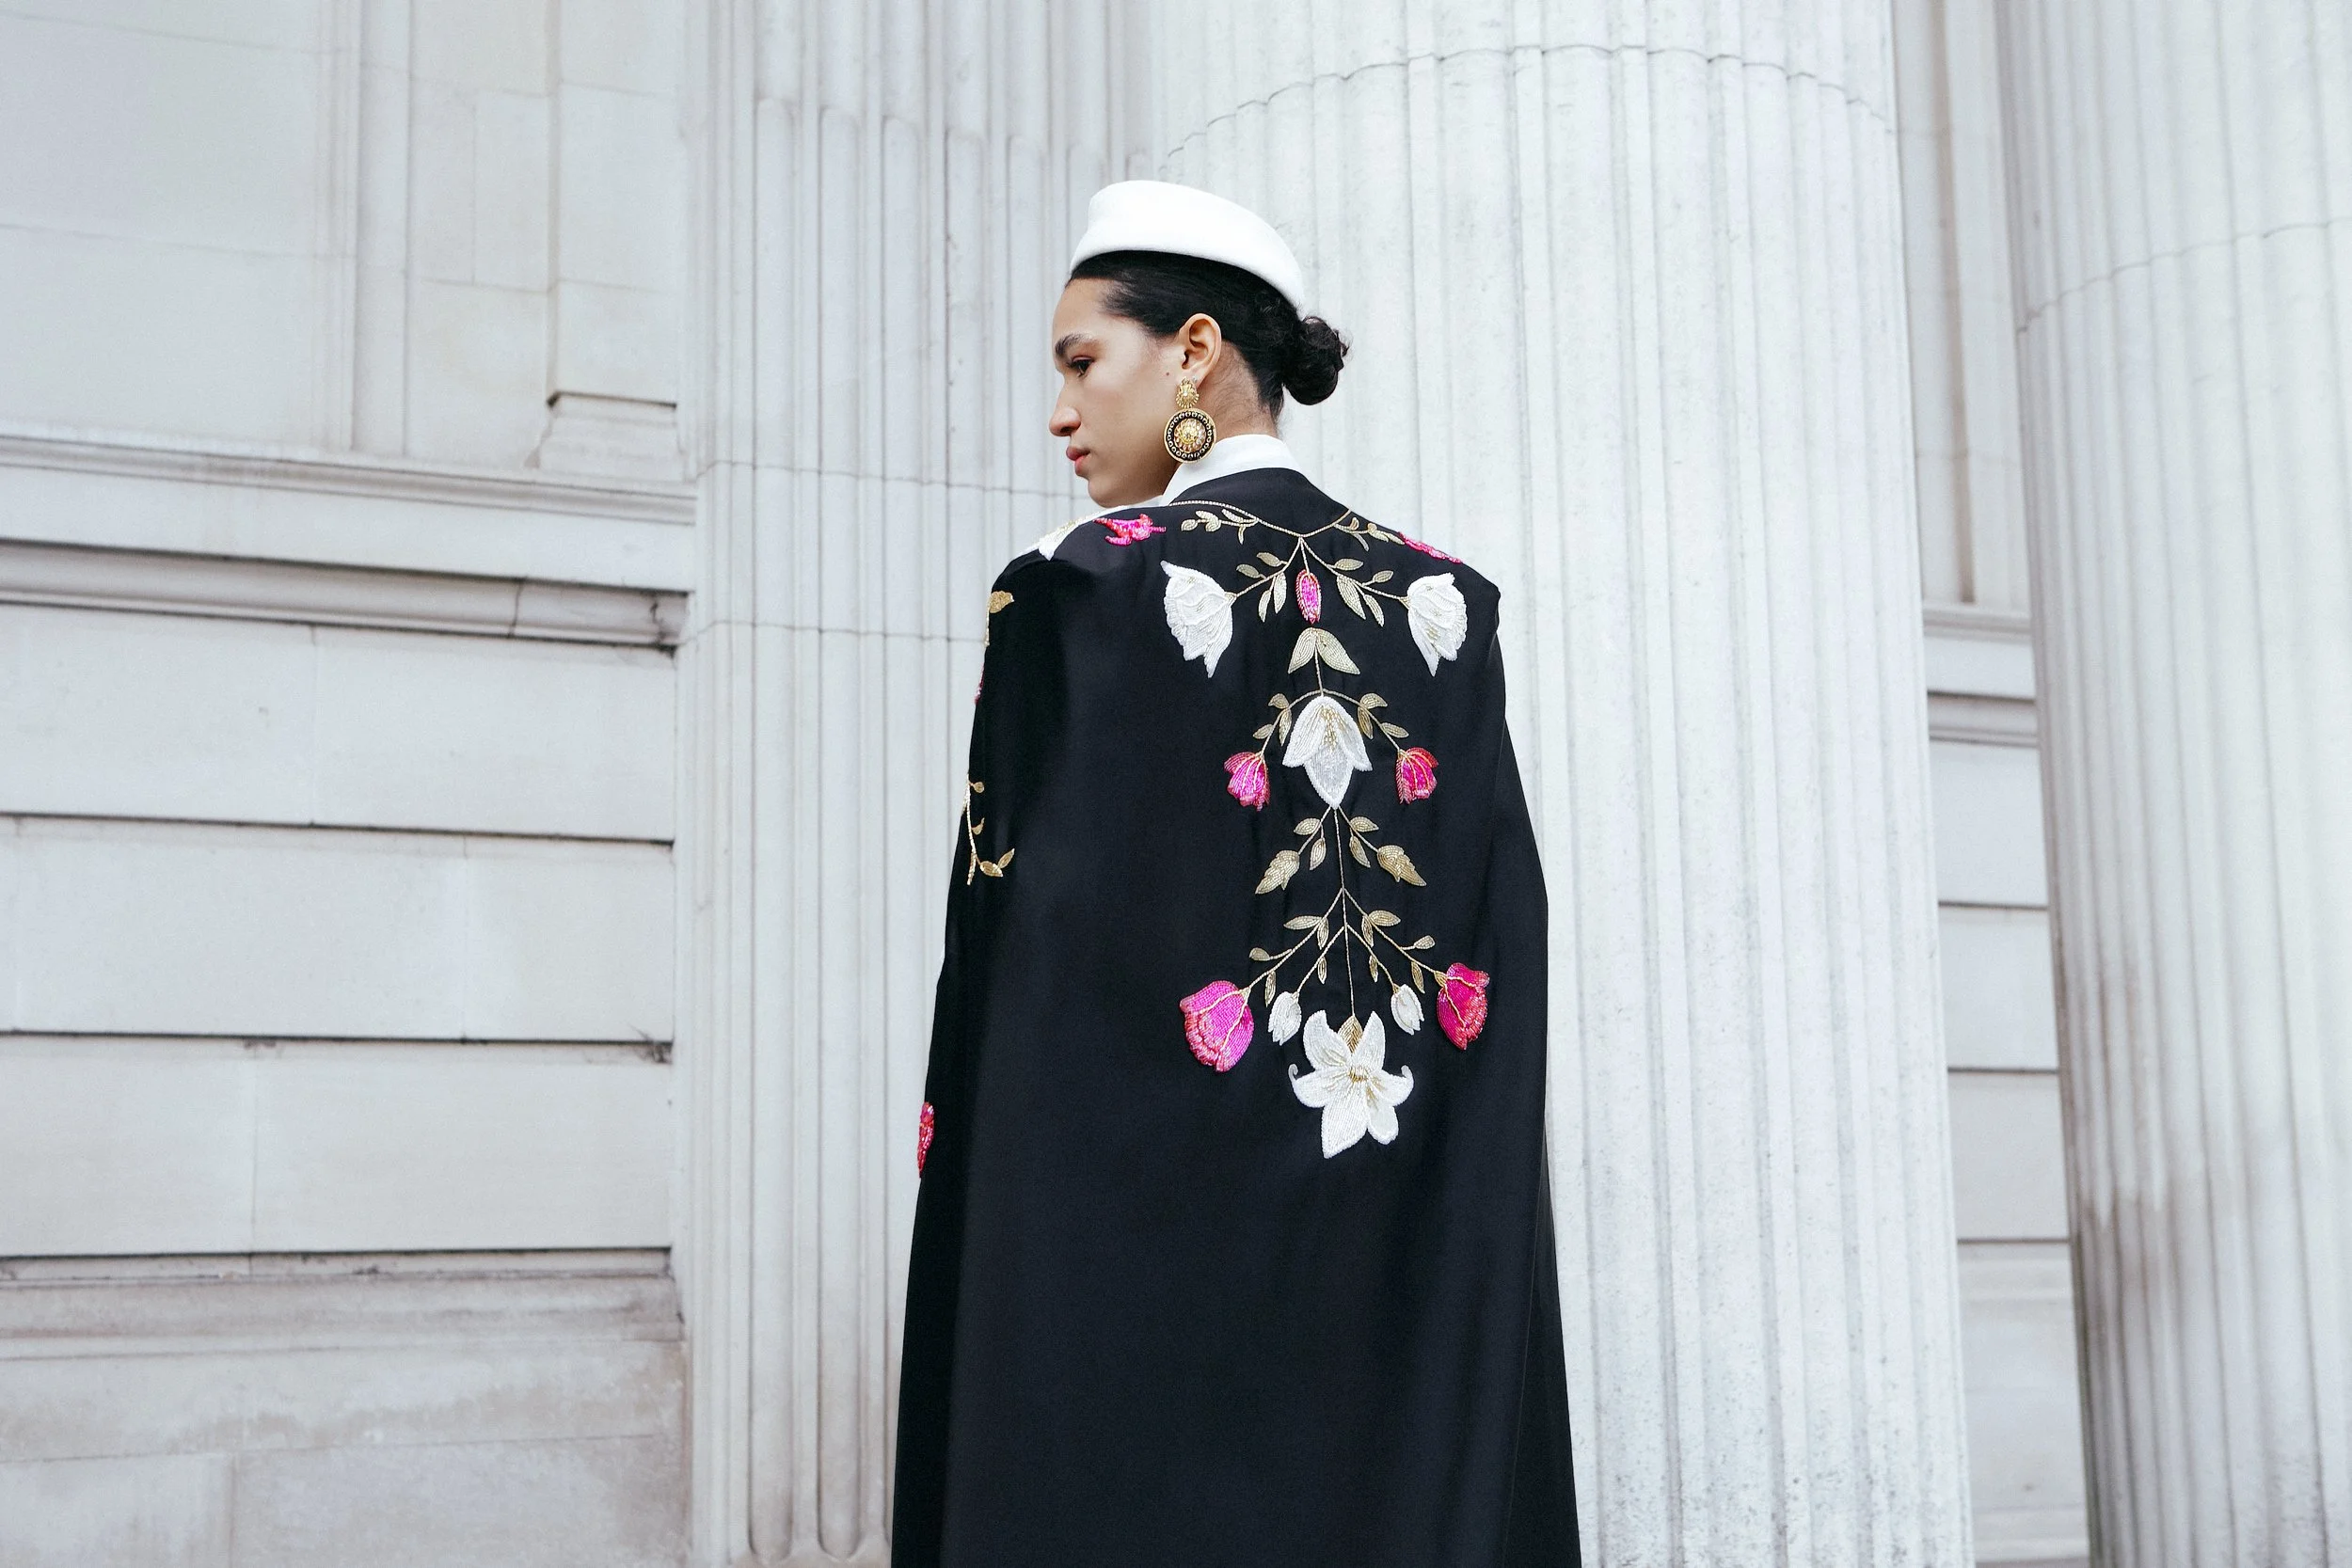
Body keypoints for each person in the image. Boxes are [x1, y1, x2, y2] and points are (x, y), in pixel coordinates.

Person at [891, 179, 1580, 1566]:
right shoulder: (1447, 602)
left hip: (1145, 1298)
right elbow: (1500, 948)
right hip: (1402, 1269)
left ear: (1193, 350)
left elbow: (1019, 987)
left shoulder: (1082, 589)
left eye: (1084, 361)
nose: (1061, 413)